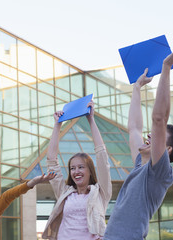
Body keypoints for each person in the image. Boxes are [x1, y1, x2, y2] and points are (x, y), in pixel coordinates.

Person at [103, 38, 173, 239]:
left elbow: (159, 118)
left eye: (157, 136)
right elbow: (134, 128)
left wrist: (165, 66)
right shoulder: (141, 164)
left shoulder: (160, 172)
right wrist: (137, 88)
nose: (150, 135)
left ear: (167, 151)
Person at [42, 100, 112, 240]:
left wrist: (91, 119)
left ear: (90, 171)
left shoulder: (101, 193)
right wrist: (57, 125)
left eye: (81, 167)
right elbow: (51, 161)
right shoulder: (65, 193)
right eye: (72, 168)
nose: (76, 171)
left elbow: (102, 157)